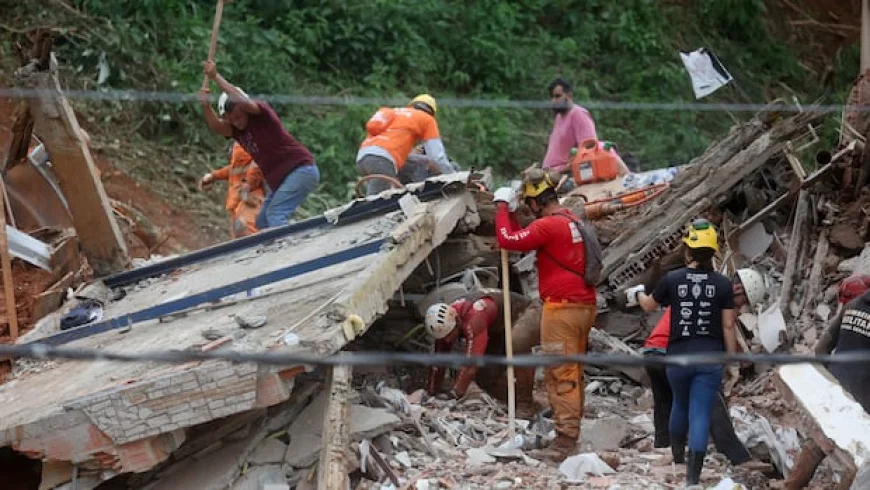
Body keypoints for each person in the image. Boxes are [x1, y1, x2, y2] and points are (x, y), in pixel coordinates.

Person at [491, 175, 598, 461]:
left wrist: (501, 208)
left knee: (560, 373)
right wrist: (512, 215)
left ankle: (565, 443)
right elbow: (521, 238)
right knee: (572, 371)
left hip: (562, 309)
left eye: (531, 205)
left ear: (538, 202)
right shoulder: (570, 221)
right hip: (583, 306)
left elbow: (507, 240)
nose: (531, 211)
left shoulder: (549, 225)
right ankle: (570, 432)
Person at [626, 219, 738, 486]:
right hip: (709, 358)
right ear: (713, 253)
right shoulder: (723, 284)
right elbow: (729, 324)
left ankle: (677, 461)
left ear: (688, 250)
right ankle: (692, 479)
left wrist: (639, 293)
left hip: (677, 357)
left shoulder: (673, 279)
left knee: (679, 404)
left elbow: (649, 306)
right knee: (699, 412)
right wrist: (732, 361)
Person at [642, 267, 764, 466]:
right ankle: (738, 457)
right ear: (739, 290)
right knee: (712, 401)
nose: (742, 309)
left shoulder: (698, 290)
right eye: (745, 302)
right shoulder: (721, 300)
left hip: (653, 351)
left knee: (666, 403)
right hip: (677, 352)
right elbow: (724, 331)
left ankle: (665, 451)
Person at [198, 61, 320, 229]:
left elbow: (240, 99)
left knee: (275, 215)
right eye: (231, 120)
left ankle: (288, 251)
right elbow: (217, 127)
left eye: (238, 117)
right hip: (282, 180)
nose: (236, 122)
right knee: (262, 222)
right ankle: (279, 249)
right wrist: (205, 107)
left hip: (301, 170)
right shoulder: (237, 131)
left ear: (244, 110)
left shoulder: (262, 115)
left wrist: (215, 77)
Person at [784, 274, 870, 489]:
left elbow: (822, 349)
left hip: (836, 385)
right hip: (864, 394)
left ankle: (790, 486)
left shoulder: (853, 305)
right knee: (858, 461)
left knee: (818, 443)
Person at [424, 290, 542, 417]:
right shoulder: (447, 327)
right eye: (443, 338)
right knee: (485, 376)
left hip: (525, 312)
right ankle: (517, 401)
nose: (447, 340)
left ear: (457, 322)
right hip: (498, 327)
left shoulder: (474, 317)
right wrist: (431, 392)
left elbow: (471, 364)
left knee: (518, 343)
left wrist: (455, 394)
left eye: (449, 335)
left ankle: (525, 404)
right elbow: (438, 361)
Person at [356, 95, 455, 195]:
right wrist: (453, 177)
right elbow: (437, 157)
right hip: (383, 160)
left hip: (363, 157)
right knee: (376, 204)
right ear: (431, 113)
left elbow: (404, 156)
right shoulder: (427, 120)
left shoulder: (395, 113)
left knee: (375, 195)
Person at [199, 141, 266, 238]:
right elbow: (232, 170)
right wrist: (213, 176)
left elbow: (255, 168)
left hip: (249, 200)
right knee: (241, 234)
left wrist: (246, 189)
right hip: (240, 203)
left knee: (247, 233)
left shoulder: (247, 146)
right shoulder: (240, 159)